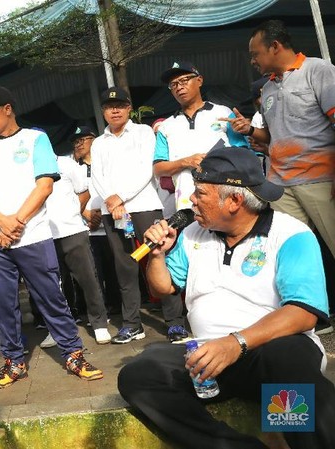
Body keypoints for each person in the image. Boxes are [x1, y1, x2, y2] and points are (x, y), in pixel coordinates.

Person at [118, 147, 335, 449]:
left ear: (234, 201)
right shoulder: (192, 234)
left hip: (267, 354)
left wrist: (235, 343)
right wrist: (156, 255)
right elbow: (162, 289)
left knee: (286, 356)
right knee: (140, 373)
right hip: (209, 359)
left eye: (200, 193)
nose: (191, 200)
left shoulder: (290, 235)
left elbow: (303, 312)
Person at [0, 86, 103, 386]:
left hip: (32, 235)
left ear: (8, 109)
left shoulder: (35, 139)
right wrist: (2, 223)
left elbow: (44, 186)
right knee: (3, 304)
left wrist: (16, 223)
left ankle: (73, 354)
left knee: (51, 297)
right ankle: (14, 361)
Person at [230, 20, 335, 260]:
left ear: (275, 46)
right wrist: (249, 130)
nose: (252, 61)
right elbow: (273, 136)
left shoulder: (318, 70)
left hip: (320, 180)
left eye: (255, 54)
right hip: (280, 186)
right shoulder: (267, 89)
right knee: (291, 254)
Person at [91, 87, 180, 344]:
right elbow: (97, 175)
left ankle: (175, 322)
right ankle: (132, 324)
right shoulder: (98, 142)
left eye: (120, 105)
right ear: (103, 112)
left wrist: (120, 196)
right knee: (125, 267)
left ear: (129, 108)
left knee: (159, 256)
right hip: (113, 212)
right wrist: (111, 200)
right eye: (109, 107)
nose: (115, 111)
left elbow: (146, 170)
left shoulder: (143, 133)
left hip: (144, 206)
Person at [153, 61, 250, 214]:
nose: (179, 87)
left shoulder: (223, 113)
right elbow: (158, 169)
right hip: (187, 204)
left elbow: (243, 153)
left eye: (184, 80)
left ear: (199, 80)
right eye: (173, 84)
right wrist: (185, 162)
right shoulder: (166, 126)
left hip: (225, 198)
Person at [45, 131, 111, 345]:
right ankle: (57, 328)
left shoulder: (65, 164)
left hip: (72, 231)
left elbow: (83, 191)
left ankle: (99, 324)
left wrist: (74, 211)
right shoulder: (25, 171)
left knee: (88, 279)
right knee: (52, 285)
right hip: (44, 235)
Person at [72, 126, 121, 317]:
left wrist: (106, 208)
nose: (78, 144)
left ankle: (117, 306)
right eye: (75, 142)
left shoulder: (107, 162)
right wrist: (85, 213)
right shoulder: (72, 167)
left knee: (114, 268)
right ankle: (98, 310)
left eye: (82, 140)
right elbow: (69, 196)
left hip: (110, 222)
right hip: (87, 229)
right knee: (94, 273)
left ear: (94, 140)